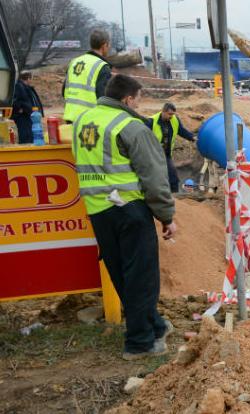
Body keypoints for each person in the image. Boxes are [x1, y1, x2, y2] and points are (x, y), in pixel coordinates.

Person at [72, 74, 176, 360]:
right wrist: (166, 216)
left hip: (98, 210)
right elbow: (155, 177)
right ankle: (140, 343)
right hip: (129, 209)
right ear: (128, 99)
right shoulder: (130, 126)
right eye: (138, 99)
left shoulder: (83, 120)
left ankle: (153, 325)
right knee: (141, 277)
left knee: (123, 274)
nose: (139, 105)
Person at [145, 102, 196, 193]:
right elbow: (142, 138)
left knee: (173, 178)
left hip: (166, 155)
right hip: (153, 156)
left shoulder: (174, 120)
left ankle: (175, 198)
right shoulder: (151, 121)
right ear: (163, 112)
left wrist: (192, 137)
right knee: (155, 178)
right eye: (169, 114)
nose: (171, 116)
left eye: (173, 114)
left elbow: (181, 130)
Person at [63, 29, 113, 123]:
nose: (109, 47)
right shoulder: (102, 66)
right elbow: (103, 98)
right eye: (108, 45)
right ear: (104, 45)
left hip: (71, 117)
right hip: (90, 120)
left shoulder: (74, 62)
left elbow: (64, 91)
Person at [11, 72, 44, 144]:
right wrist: (20, 109)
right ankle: (24, 149)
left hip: (29, 115)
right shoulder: (18, 86)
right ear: (28, 78)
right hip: (22, 116)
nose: (31, 80)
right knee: (25, 135)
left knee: (30, 134)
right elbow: (14, 101)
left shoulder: (26, 87)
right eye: (31, 78)